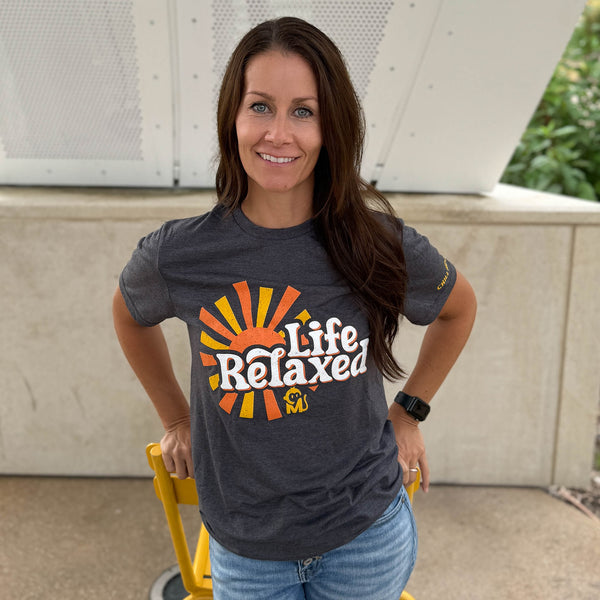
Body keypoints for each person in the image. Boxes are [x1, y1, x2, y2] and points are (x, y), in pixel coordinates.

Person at [113, 16, 476, 600]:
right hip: (245, 548)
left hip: (366, 537)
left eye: (303, 111)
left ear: (331, 127)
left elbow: (458, 310)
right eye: (260, 106)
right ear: (232, 117)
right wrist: (177, 419)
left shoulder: (377, 244)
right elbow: (130, 316)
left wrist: (409, 411)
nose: (278, 134)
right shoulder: (179, 255)